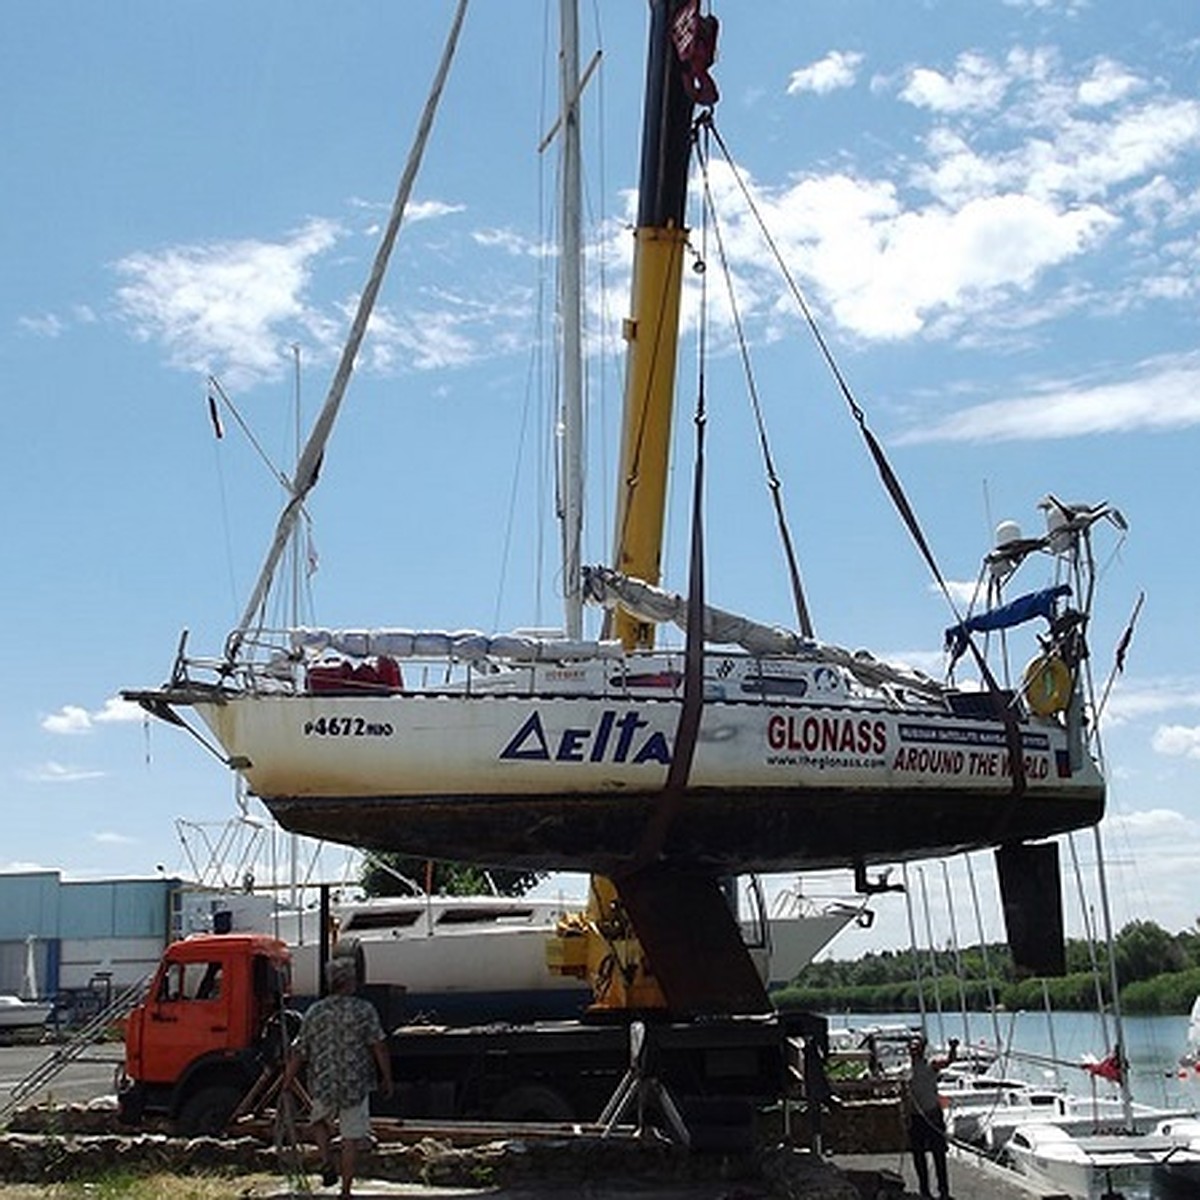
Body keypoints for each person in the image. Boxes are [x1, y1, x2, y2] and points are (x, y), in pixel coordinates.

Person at [283, 957, 393, 1197]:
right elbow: (378, 1045)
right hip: (356, 1084)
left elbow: (299, 1049)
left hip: (323, 1081)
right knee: (350, 1139)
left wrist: (288, 1080)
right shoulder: (364, 1010)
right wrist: (387, 1077)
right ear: (351, 982)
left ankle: (326, 1160)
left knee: (319, 1123)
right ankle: (345, 1190)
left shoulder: (315, 1011)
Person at [905, 1033, 957, 1200]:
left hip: (932, 1116)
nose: (914, 1049)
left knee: (938, 1154)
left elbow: (948, 1061)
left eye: (917, 1047)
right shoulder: (905, 1070)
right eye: (912, 1047)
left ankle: (944, 1191)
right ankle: (924, 1191)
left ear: (922, 1049)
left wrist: (953, 1049)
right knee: (918, 1156)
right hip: (915, 1118)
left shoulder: (931, 1065)